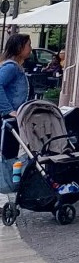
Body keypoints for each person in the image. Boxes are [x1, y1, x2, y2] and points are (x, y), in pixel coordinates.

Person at [0, 34, 32, 208]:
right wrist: (8, 111)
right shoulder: (11, 67)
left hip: (11, 122)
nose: (31, 49)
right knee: (6, 158)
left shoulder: (16, 67)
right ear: (20, 48)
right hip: (7, 122)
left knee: (9, 156)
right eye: (28, 45)